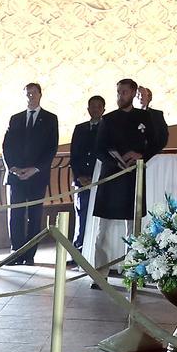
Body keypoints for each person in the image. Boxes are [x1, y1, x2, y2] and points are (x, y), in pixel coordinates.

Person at [88, 78, 156, 286]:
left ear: (133, 93)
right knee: (103, 231)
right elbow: (99, 148)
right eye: (118, 92)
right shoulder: (108, 119)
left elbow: (153, 142)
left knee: (133, 230)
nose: (120, 96)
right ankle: (100, 275)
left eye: (124, 92)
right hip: (111, 179)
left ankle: (133, 273)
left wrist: (139, 155)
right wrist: (116, 160)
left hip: (133, 179)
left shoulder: (145, 117)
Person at [3, 82, 58, 263]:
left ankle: (30, 254)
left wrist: (34, 169)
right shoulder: (15, 118)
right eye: (27, 94)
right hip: (17, 175)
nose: (31, 96)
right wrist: (13, 168)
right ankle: (16, 252)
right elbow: (7, 146)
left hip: (37, 176)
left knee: (34, 216)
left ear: (40, 94)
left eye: (34, 93)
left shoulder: (50, 118)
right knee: (16, 215)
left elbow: (51, 148)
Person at [68, 95, 105, 251]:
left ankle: (95, 251)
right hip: (81, 180)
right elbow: (74, 155)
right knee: (81, 215)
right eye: (92, 106)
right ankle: (79, 249)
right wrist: (79, 176)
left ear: (103, 109)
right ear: (88, 109)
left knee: (98, 218)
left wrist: (96, 177)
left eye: (98, 106)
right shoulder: (80, 128)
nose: (95, 109)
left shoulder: (108, 128)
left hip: (100, 179)